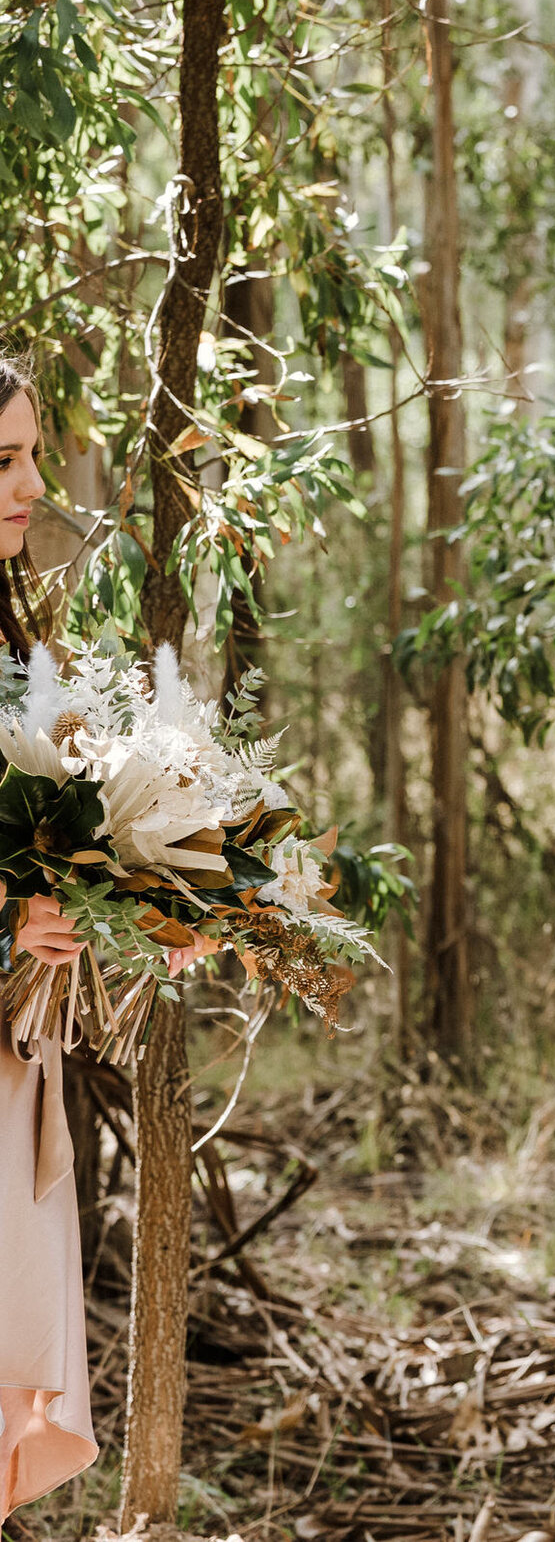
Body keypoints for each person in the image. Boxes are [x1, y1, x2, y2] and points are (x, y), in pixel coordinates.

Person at [0, 360, 209, 1522]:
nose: (32, 481)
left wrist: (155, 904)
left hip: (11, 1069)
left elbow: (44, 844)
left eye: (30, 452)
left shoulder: (15, 644)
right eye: (3, 459)